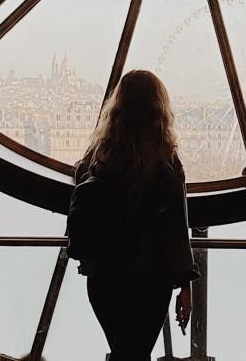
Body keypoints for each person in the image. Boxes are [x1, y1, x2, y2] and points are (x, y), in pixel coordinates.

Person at [73, 69, 201, 360]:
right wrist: (185, 284)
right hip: (150, 280)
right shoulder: (165, 161)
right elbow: (176, 229)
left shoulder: (97, 154)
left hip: (103, 275)